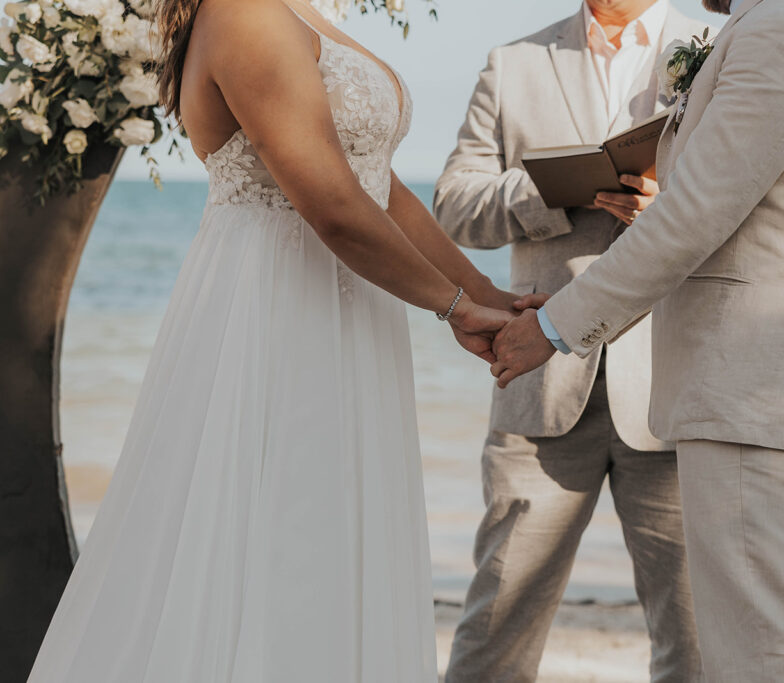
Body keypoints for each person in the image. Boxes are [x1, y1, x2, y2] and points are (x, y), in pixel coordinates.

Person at [27, 0, 512, 679]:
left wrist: (489, 295)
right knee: (281, 531)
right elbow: (334, 207)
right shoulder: (243, 13)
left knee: (334, 536)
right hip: (278, 310)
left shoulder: (299, 13)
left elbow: (380, 190)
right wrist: (455, 308)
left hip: (349, 308)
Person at [491, 0, 784, 680]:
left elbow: (693, 216)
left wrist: (554, 326)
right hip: (740, 389)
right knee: (762, 637)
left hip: (747, 386)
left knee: (757, 650)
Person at [434, 1, 710, 680]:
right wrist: (556, 192)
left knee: (695, 637)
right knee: (497, 626)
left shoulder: (714, 46)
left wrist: (669, 202)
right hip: (541, 381)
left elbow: (744, 192)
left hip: (672, 388)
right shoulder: (513, 62)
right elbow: (452, 208)